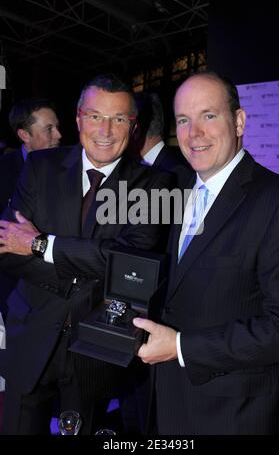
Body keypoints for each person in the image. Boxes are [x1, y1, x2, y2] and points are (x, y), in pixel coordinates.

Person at [0, 74, 172, 435]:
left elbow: (130, 263)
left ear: (133, 125)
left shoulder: (154, 185)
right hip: (30, 336)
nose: (105, 130)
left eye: (119, 119)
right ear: (78, 118)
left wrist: (39, 245)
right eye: (95, 116)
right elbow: (6, 249)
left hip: (95, 349)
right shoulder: (40, 167)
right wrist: (92, 268)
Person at [133, 70, 279, 435]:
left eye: (209, 115)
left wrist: (180, 346)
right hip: (171, 402)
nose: (195, 134)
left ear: (238, 121)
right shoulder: (178, 192)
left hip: (239, 414)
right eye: (183, 120)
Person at [0, 98, 62, 321]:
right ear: (24, 136)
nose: (59, 135)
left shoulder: (67, 168)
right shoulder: (3, 171)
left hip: (52, 290)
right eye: (49, 129)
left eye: (57, 126)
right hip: (8, 291)